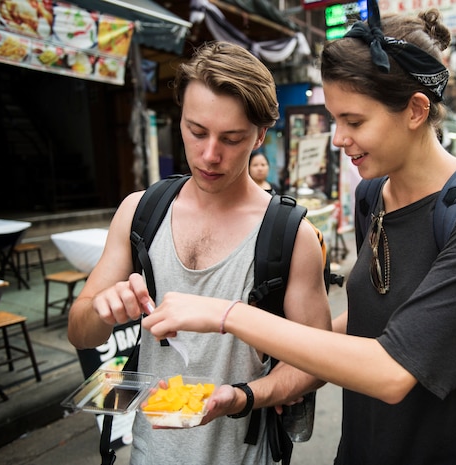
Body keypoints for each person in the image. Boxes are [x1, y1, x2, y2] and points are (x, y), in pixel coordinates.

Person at [142, 4, 456, 464]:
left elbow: (392, 370)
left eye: (354, 121)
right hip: (366, 441)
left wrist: (228, 314)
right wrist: (252, 392)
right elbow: (367, 320)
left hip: (447, 447)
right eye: (334, 118)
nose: (338, 138)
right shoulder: (372, 196)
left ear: (416, 110)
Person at [67, 41, 331, 465]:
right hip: (149, 453)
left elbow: (318, 362)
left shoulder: (290, 236)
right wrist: (101, 310)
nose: (210, 155)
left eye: (231, 138)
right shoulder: (140, 212)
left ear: (261, 135)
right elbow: (79, 333)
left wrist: (244, 397)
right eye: (196, 131)